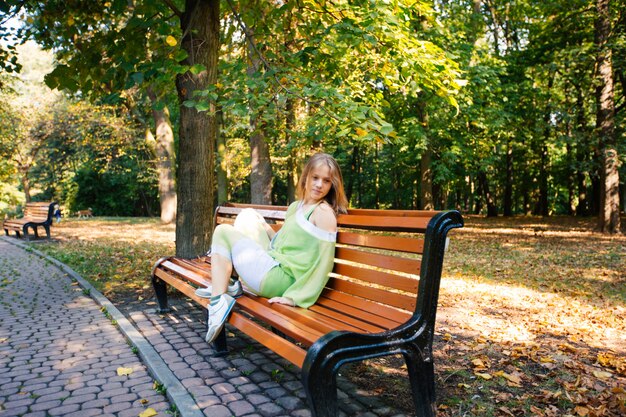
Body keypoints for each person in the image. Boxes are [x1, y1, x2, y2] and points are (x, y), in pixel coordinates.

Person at [198, 152, 349, 343]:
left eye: (326, 181)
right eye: (315, 178)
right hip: (274, 265)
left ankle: (217, 302)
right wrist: (262, 224)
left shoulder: (323, 213)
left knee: (223, 232)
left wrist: (295, 297)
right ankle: (226, 288)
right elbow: (284, 241)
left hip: (281, 280)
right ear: (306, 177)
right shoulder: (296, 206)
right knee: (248, 216)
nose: (319, 185)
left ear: (333, 185)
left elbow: (324, 264)